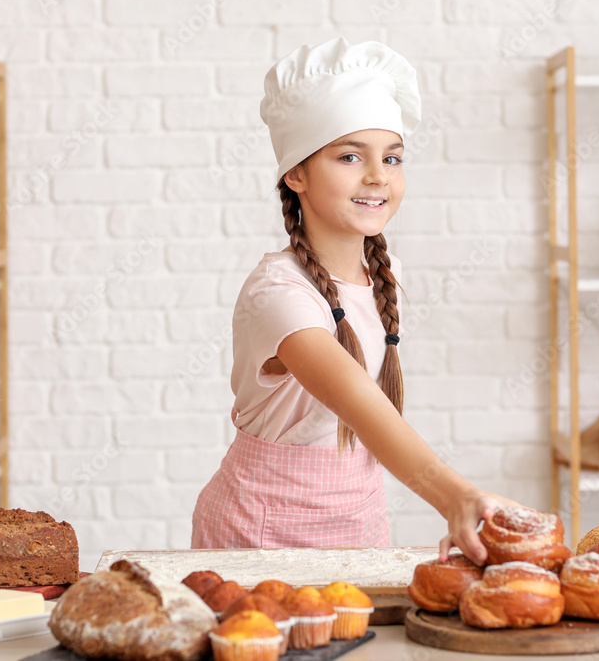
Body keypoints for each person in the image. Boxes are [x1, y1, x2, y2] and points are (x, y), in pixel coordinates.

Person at [191, 38, 519, 566]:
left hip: (357, 521)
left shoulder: (380, 277)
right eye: (350, 156)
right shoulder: (277, 291)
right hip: (258, 533)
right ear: (295, 174)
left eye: (392, 158)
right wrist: (454, 496)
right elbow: (361, 406)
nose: (378, 176)